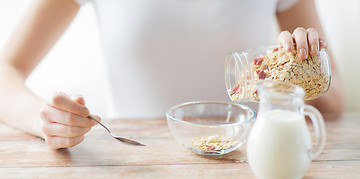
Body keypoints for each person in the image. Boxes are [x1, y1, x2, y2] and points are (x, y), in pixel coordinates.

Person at [0, 0, 345, 149]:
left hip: (249, 165)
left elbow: (334, 103)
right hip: (133, 166)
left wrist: (301, 72)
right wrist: (44, 120)